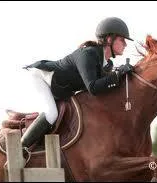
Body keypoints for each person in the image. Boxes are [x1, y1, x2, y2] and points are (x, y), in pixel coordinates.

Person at [20, 17, 134, 150]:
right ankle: (20, 148)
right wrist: (117, 75)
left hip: (60, 87)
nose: (125, 44)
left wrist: (121, 74)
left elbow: (105, 85)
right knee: (51, 114)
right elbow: (93, 88)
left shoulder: (108, 64)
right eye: (122, 39)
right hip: (41, 77)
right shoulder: (88, 54)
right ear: (109, 39)